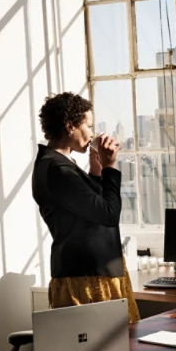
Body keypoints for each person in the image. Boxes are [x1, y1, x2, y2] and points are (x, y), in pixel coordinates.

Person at [32, 92, 141, 323]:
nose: (92, 133)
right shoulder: (58, 169)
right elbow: (108, 214)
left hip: (93, 273)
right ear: (70, 126)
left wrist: (96, 169)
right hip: (86, 279)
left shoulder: (58, 163)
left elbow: (87, 208)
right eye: (88, 125)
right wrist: (110, 167)